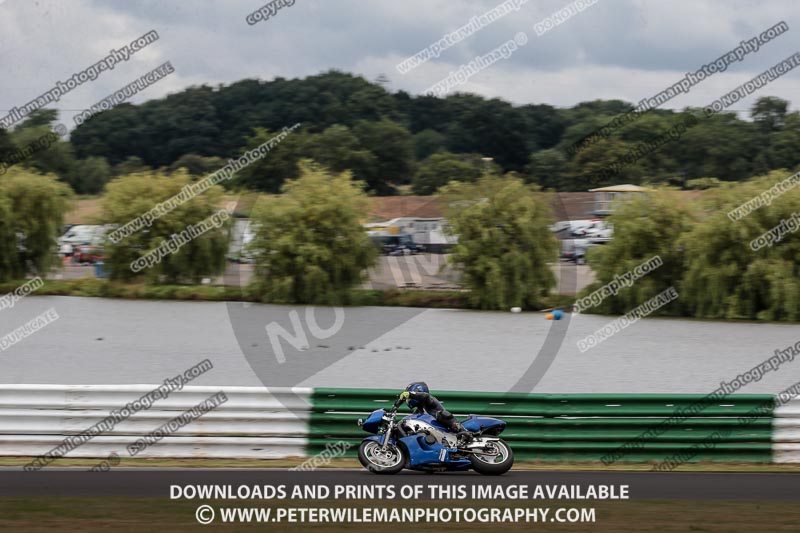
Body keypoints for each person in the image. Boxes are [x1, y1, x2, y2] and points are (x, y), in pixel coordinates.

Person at [398, 382, 471, 443]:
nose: (409, 399)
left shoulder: (429, 400)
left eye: (410, 397)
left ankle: (460, 430)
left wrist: (411, 394)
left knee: (442, 414)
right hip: (436, 434)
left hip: (446, 429)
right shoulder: (418, 411)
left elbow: (425, 396)